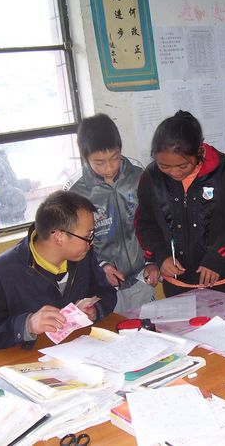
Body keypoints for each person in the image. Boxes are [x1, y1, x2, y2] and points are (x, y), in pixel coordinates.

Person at [0, 190, 117, 354]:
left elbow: (106, 292)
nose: (91, 243)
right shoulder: (2, 271)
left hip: (81, 351)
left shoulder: (82, 255)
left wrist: (95, 310)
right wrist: (27, 325)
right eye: (88, 235)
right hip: (29, 360)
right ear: (59, 237)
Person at [135, 110, 225, 297]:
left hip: (224, 281)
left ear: (199, 150)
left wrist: (219, 255)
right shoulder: (151, 177)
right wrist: (161, 256)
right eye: (164, 166)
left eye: (183, 166)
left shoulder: (224, 171)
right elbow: (145, 223)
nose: (175, 173)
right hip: (177, 285)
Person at [66, 114, 159, 313]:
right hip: (103, 285)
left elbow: (152, 222)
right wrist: (100, 266)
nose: (109, 168)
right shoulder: (75, 191)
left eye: (115, 158)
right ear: (85, 157)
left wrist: (152, 260)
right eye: (99, 163)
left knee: (149, 327)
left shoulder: (138, 174)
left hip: (141, 278)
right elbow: (73, 243)